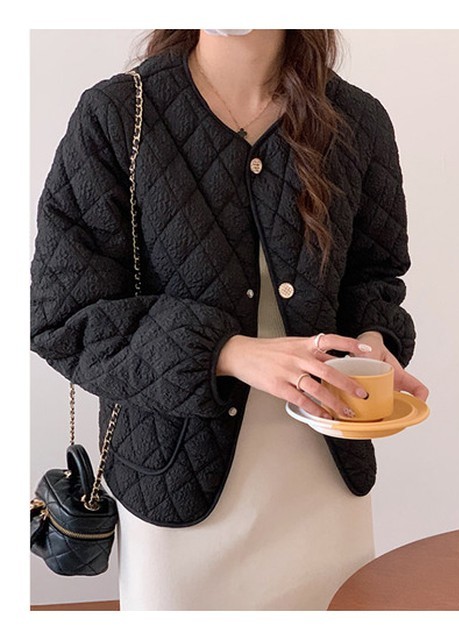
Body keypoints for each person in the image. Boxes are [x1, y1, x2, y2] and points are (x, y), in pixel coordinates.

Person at [30, 29, 429, 610]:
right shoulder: (118, 115)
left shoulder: (358, 120)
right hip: (175, 480)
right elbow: (65, 316)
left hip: (322, 479)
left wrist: (372, 343)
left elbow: (375, 274)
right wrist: (228, 352)